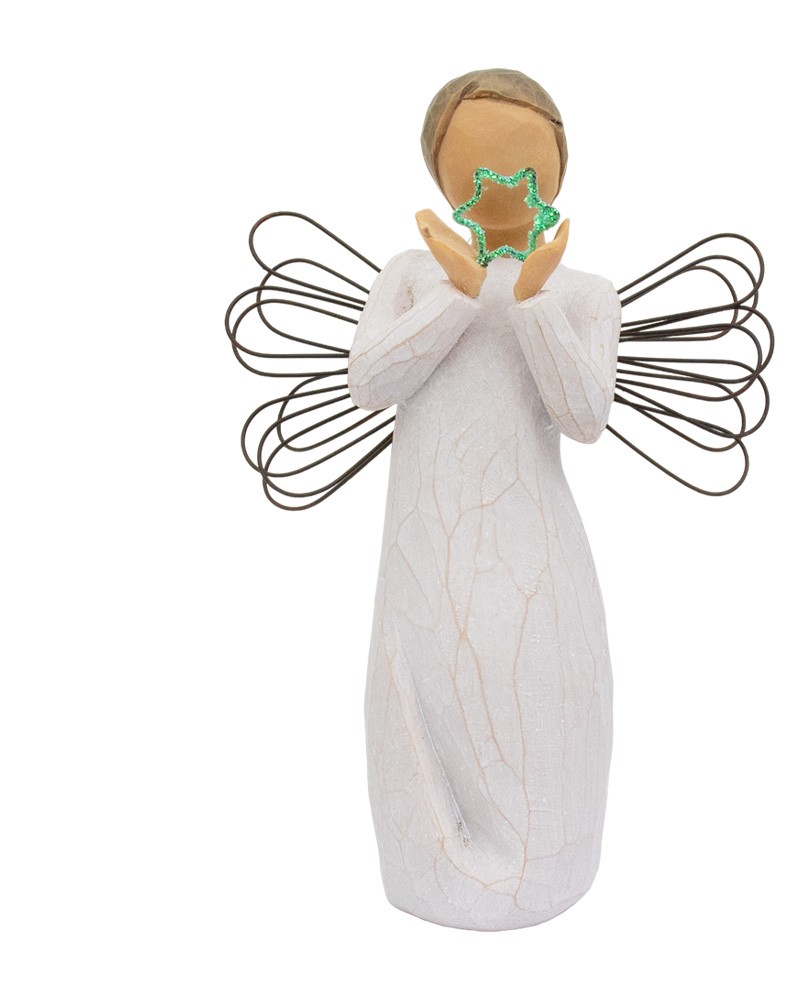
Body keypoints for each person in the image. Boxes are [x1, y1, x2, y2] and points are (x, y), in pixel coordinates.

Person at [347, 69, 621, 931]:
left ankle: (549, 864)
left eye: (525, 166)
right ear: (442, 170)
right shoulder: (410, 276)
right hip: (425, 556)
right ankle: (437, 869)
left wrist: (532, 302)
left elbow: (585, 415)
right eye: (480, 166)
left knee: (534, 701)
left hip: (535, 551)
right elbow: (369, 381)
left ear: (557, 169)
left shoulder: (584, 294)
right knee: (427, 696)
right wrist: (458, 296)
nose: (503, 184)